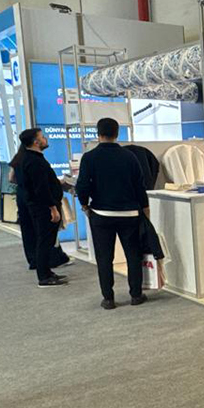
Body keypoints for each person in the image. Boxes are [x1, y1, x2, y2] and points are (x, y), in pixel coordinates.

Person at [75, 117, 150, 310]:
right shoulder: (130, 156)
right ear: (117, 134)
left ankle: (108, 298)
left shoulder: (89, 157)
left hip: (101, 214)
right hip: (129, 214)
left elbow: (82, 185)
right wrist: (145, 209)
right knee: (133, 255)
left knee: (104, 258)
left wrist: (84, 205)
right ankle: (136, 295)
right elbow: (139, 186)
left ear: (98, 134)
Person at [10, 127, 69, 288]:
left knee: (46, 240)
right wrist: (53, 208)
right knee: (45, 240)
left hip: (38, 206)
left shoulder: (28, 158)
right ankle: (44, 276)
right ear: (36, 142)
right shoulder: (34, 162)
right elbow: (41, 188)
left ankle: (47, 272)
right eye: (42, 137)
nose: (45, 139)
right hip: (43, 208)